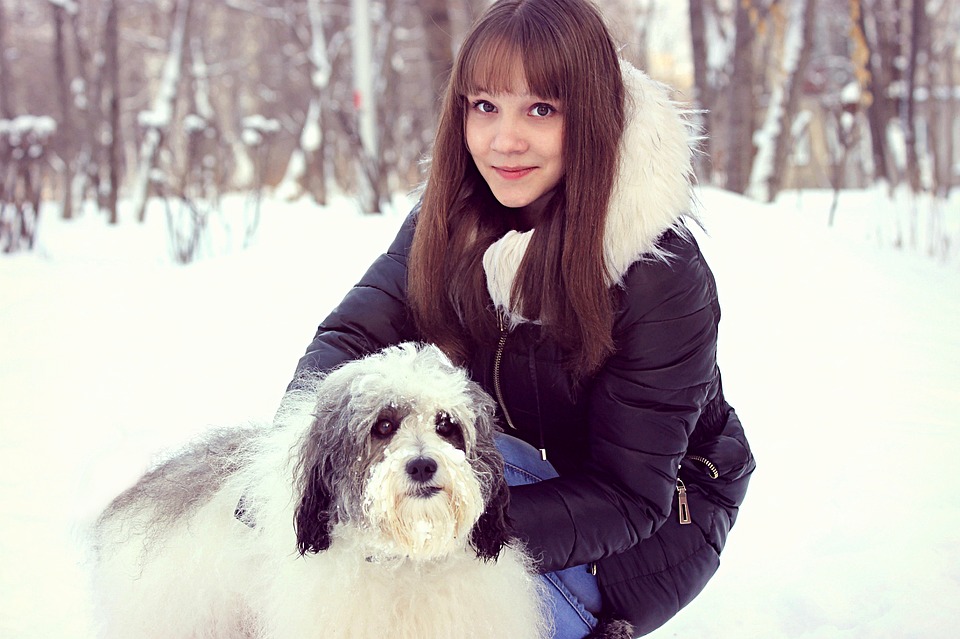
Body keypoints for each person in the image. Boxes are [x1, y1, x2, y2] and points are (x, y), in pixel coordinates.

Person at [287, 0, 755, 636]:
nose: (504, 141)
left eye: (541, 109)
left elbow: (629, 495)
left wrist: (462, 521)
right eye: (485, 106)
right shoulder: (449, 220)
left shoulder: (656, 270)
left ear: (591, 116)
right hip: (501, 466)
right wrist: (298, 460)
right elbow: (352, 336)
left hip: (648, 524)